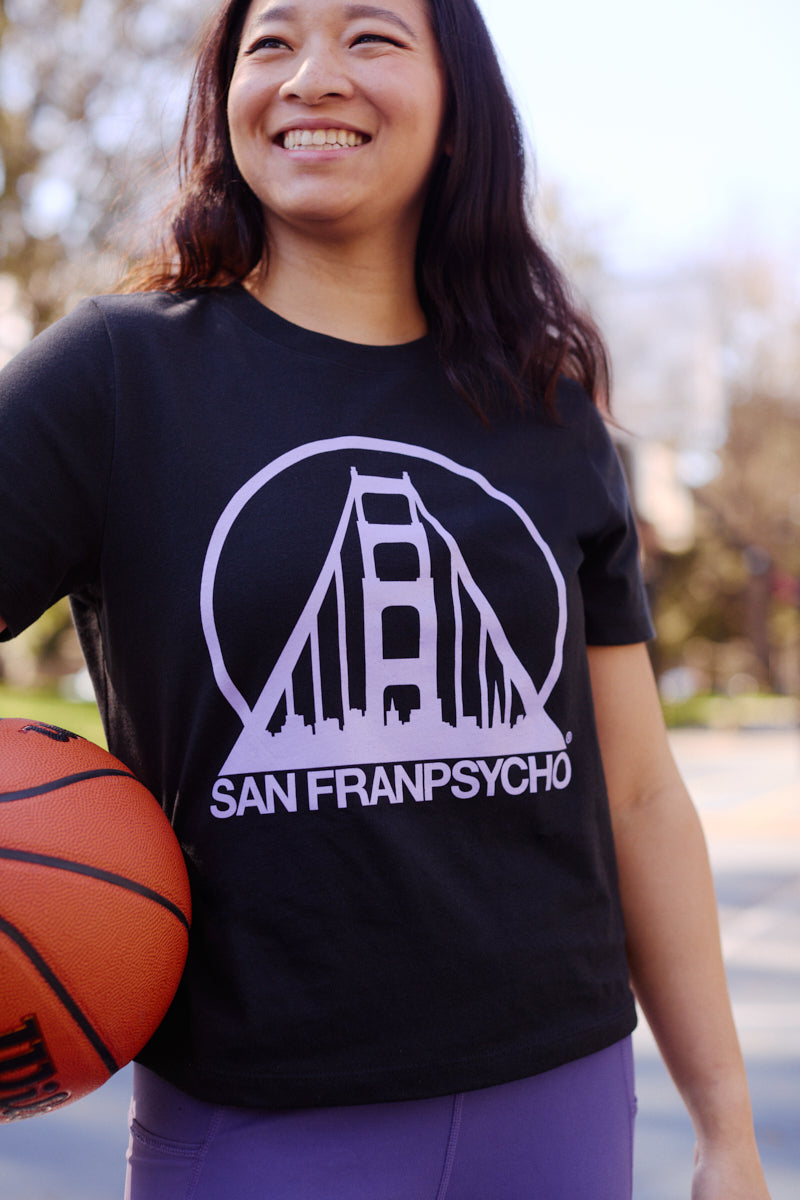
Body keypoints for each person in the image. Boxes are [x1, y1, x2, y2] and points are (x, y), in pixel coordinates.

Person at [0, 0, 771, 1196]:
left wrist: (726, 1131)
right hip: (255, 1120)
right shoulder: (117, 376)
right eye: (271, 43)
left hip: (557, 1096)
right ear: (226, 102)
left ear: (456, 107)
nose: (312, 76)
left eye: (370, 38)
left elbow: (635, 794)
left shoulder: (544, 405)